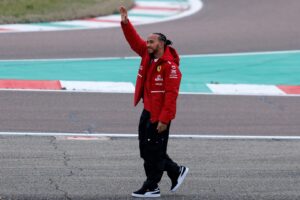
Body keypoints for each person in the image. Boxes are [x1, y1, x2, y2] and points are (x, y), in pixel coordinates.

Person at [119, 6, 189, 198]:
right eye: (147, 42)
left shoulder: (170, 68)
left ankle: (152, 186)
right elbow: (134, 42)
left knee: (154, 152)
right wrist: (125, 23)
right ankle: (175, 171)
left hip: (160, 117)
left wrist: (164, 120)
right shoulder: (146, 55)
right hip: (147, 111)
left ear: (162, 44)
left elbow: (171, 96)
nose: (147, 44)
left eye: (151, 42)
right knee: (146, 149)